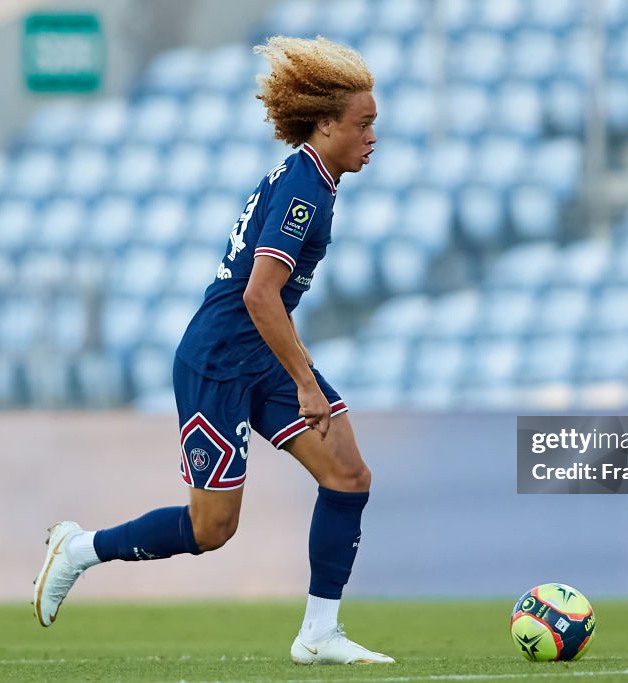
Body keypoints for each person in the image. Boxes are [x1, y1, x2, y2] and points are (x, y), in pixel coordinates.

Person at [33, 35, 392, 665]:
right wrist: (306, 383)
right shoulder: (304, 190)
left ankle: (318, 634)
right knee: (212, 529)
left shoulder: (316, 179)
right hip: (219, 362)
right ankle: (78, 549)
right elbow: (260, 295)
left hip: (260, 357)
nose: (372, 136)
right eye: (362, 124)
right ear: (325, 123)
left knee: (348, 475)